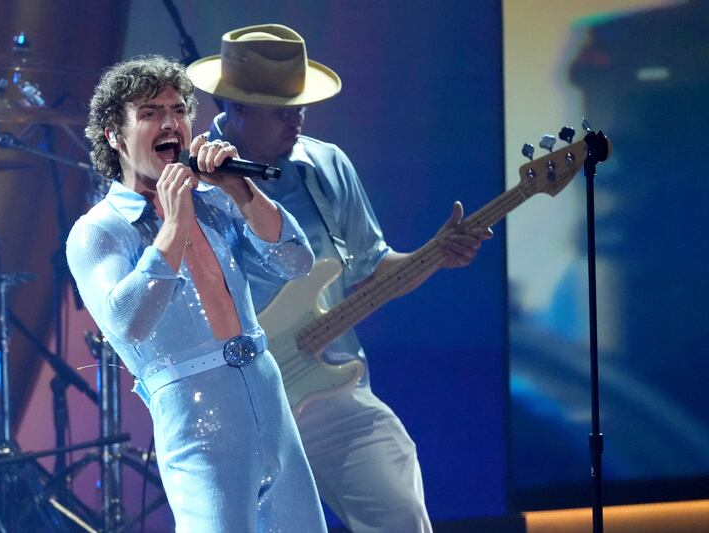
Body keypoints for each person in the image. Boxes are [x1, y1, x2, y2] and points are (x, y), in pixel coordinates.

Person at [187, 25, 494, 532]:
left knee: (400, 513)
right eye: (282, 110)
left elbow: (374, 270)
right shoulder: (189, 179)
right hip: (238, 402)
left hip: (330, 387)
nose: (297, 119)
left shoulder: (326, 164)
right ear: (234, 107)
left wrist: (436, 255)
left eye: (300, 107)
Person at [66, 55, 328, 533]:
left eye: (178, 110)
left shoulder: (217, 201)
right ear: (114, 137)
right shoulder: (99, 231)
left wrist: (241, 190)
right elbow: (129, 323)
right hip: (198, 421)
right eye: (149, 113)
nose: (171, 122)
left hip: (270, 401)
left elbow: (297, 262)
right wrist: (173, 223)